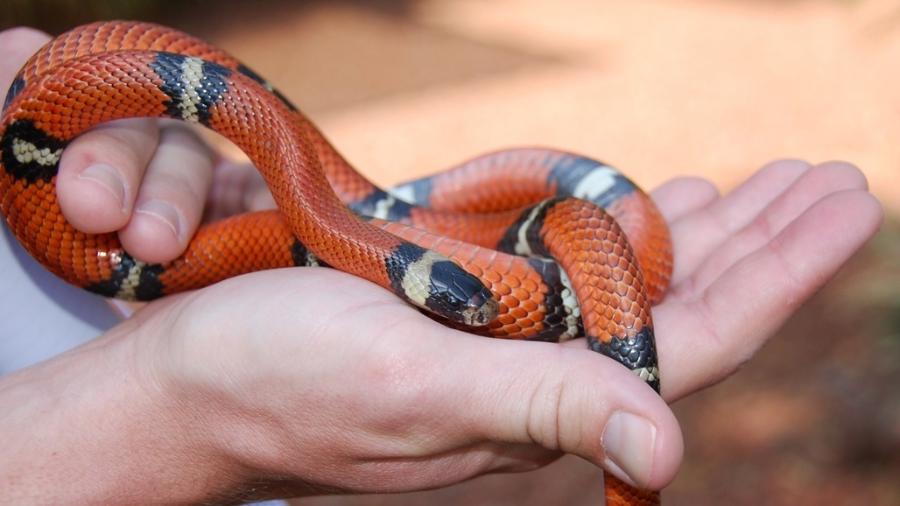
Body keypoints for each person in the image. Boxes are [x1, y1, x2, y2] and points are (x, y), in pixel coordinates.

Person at [0, 26, 884, 504]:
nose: (475, 313)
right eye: (457, 304)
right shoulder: (329, 224)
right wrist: (168, 412)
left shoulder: (333, 221)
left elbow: (332, 211)